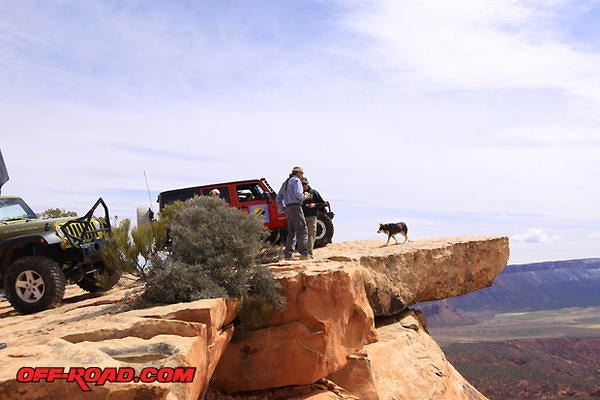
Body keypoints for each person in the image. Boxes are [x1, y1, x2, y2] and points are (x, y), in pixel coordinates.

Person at [276, 166, 310, 260]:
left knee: (291, 232)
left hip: (288, 208)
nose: (302, 176)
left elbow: (278, 197)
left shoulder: (286, 182)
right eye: (302, 173)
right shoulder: (296, 181)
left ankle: (288, 255)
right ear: (298, 172)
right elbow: (298, 194)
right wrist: (305, 196)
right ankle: (304, 254)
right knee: (302, 230)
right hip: (296, 206)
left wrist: (282, 208)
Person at [301, 177, 328, 258]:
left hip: (312, 216)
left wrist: (314, 205)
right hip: (302, 216)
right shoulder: (298, 193)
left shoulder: (314, 192)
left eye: (305, 184)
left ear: (307, 183)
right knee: (302, 235)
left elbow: (323, 203)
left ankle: (309, 253)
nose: (303, 186)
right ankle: (303, 253)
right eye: (301, 184)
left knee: (311, 234)